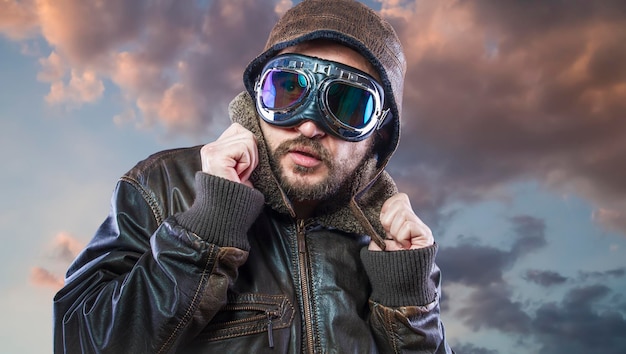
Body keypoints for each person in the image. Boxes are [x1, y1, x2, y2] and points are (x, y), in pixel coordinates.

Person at [53, 0, 454, 352]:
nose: (310, 126)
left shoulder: (389, 245)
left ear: (379, 133)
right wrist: (204, 232)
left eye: (348, 106)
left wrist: (409, 299)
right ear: (257, 96)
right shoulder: (164, 187)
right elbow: (77, 343)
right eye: (288, 90)